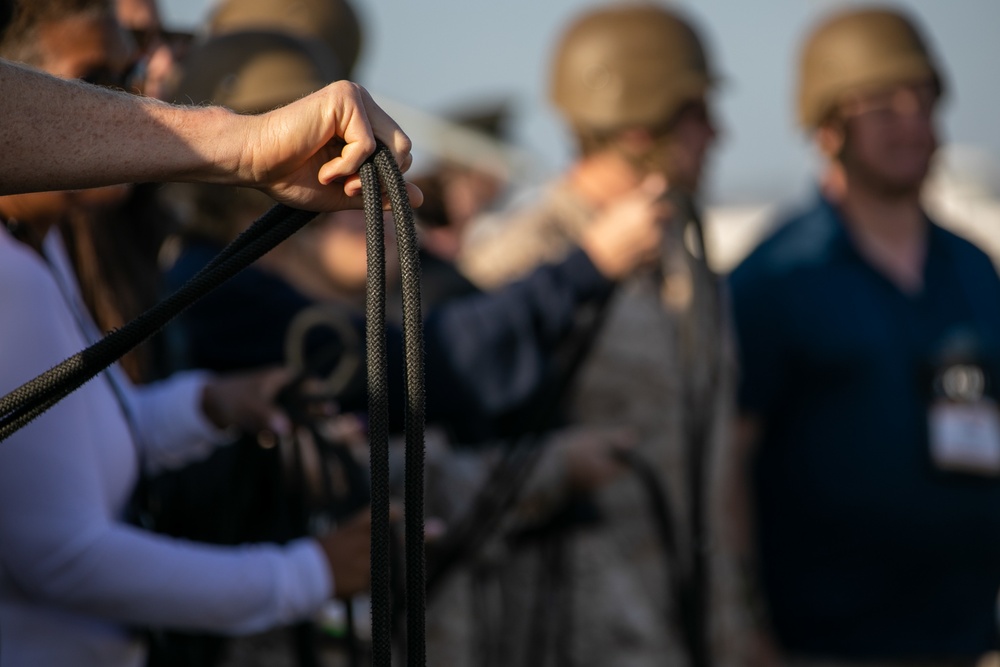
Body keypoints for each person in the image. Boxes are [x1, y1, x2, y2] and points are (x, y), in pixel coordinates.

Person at [0, 1, 411, 665]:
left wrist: (209, 403)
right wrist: (307, 574)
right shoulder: (9, 272)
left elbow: (70, 438)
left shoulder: (39, 252)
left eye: (129, 72)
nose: (129, 98)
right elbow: (63, 557)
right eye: (91, 79)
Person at [457, 4, 731, 665]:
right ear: (640, 126)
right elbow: (453, 473)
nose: (717, 134)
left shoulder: (686, 260)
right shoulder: (517, 263)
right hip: (561, 631)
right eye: (695, 114)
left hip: (685, 625)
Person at [728, 7, 1000, 665]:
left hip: (965, 635)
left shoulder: (970, 266)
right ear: (827, 128)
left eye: (924, 100)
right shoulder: (777, 276)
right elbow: (728, 462)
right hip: (825, 643)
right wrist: (745, 623)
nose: (912, 123)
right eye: (883, 107)